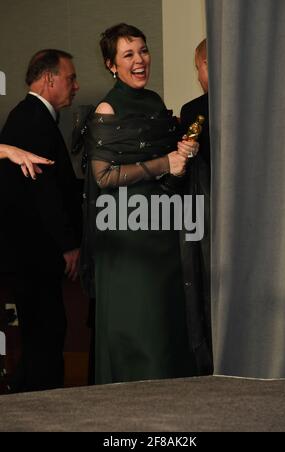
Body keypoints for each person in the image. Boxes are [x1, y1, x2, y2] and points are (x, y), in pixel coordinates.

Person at [81, 23, 200, 385]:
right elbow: (103, 177)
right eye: (128, 54)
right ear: (111, 64)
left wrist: (182, 158)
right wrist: (166, 162)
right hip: (126, 236)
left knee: (165, 326)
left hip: (162, 232)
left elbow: (169, 180)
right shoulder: (107, 107)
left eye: (143, 51)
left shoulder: (153, 102)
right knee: (139, 323)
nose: (139, 61)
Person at [0, 49, 82, 392]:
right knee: (46, 332)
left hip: (29, 252)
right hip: (34, 253)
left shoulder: (31, 115)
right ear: (50, 79)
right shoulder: (33, 119)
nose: (75, 86)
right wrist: (68, 245)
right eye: (70, 77)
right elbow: (44, 194)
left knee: (41, 334)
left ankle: (24, 397)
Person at [180, 38, 213, 374]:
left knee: (206, 292)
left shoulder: (194, 111)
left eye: (198, 68)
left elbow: (182, 175)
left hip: (206, 219)